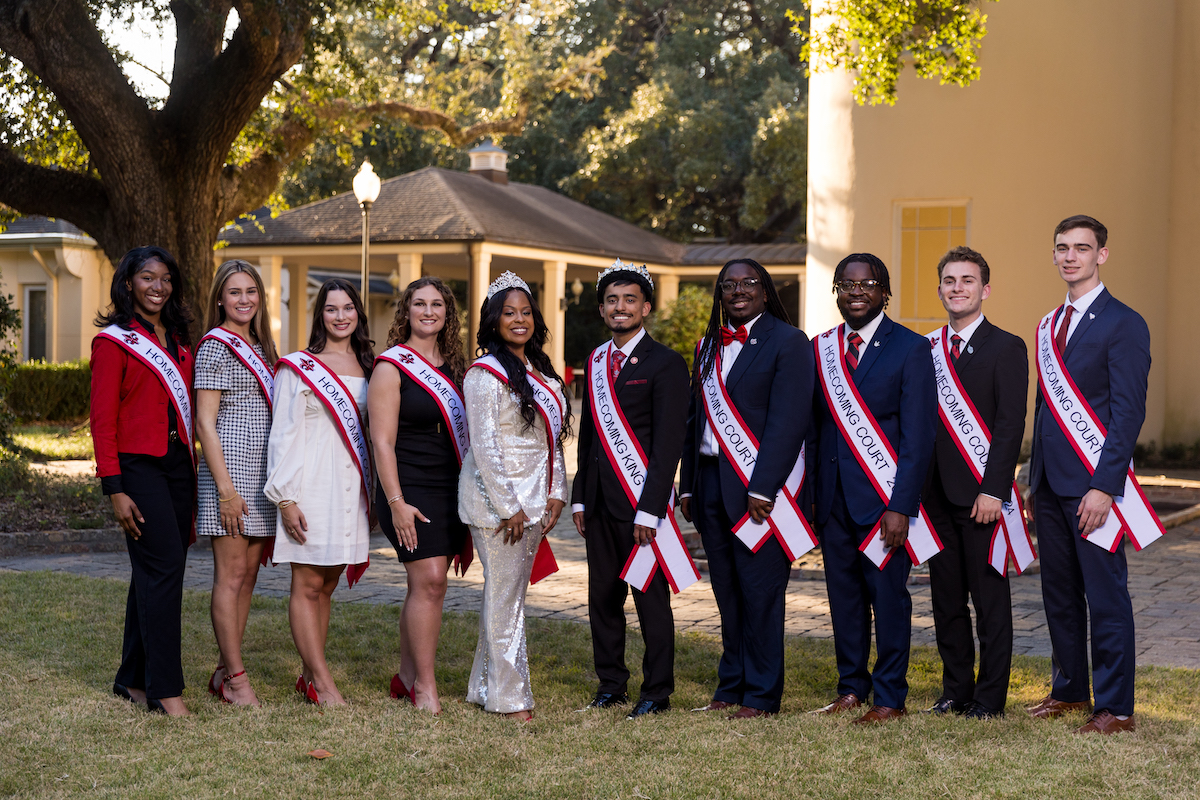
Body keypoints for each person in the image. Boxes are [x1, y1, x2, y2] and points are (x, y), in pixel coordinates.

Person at [1027, 215, 1161, 734]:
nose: (1070, 257)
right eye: (1062, 248)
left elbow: (1128, 413)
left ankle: (1116, 708)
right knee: (1058, 594)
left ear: (1101, 255)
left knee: (1105, 596)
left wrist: (1105, 486)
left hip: (1093, 489)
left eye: (1082, 248)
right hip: (1051, 484)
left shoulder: (1124, 322)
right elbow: (1044, 412)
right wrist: (1032, 480)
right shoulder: (1048, 324)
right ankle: (1069, 691)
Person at [678, 259, 814, 719]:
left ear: (765, 290)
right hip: (712, 482)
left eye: (748, 283)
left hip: (757, 488)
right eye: (728, 285)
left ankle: (761, 694)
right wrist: (689, 485)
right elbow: (695, 419)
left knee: (760, 592)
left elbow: (788, 422)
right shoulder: (708, 345)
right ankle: (730, 685)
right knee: (727, 591)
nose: (738, 291)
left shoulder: (789, 342)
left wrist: (764, 486)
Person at [810, 253, 938, 724]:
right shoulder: (820, 348)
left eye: (867, 285)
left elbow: (919, 437)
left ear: (885, 291)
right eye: (846, 284)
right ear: (837, 292)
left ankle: (889, 697)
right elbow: (814, 430)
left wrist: (901, 505)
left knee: (888, 600)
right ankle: (851, 687)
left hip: (884, 502)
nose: (856, 292)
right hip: (833, 500)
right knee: (843, 598)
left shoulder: (911, 348)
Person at [571, 260, 691, 719]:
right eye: (612, 300)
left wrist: (651, 509)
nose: (620, 308)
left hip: (641, 508)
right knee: (602, 598)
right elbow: (590, 438)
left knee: (649, 600)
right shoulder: (596, 360)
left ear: (645, 307)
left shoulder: (666, 363)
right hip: (599, 504)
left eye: (629, 299)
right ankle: (611, 684)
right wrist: (580, 494)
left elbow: (668, 446)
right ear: (602, 310)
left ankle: (656, 691)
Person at [458, 271, 571, 721]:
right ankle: (509, 700)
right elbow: (484, 448)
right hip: (497, 508)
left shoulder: (540, 371)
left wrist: (557, 490)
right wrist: (511, 509)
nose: (519, 320)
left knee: (505, 598)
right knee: (506, 602)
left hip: (534, 501)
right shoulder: (484, 375)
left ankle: (484, 686)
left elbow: (553, 438)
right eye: (509, 313)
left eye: (525, 312)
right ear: (493, 320)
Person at [922, 247, 1029, 720]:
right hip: (934, 499)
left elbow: (1010, 426)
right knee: (945, 602)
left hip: (982, 498)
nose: (957, 288)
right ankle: (955, 691)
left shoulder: (1007, 347)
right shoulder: (924, 349)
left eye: (967, 280)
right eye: (949, 280)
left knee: (989, 604)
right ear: (940, 288)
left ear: (985, 289)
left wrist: (994, 490)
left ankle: (989, 699)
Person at [90, 245, 196, 717]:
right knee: (166, 566)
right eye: (148, 278)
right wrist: (115, 488)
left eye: (166, 279)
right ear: (129, 282)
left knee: (153, 570)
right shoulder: (114, 341)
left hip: (178, 465)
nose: (158, 287)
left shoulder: (177, 339)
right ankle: (165, 691)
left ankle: (131, 680)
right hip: (137, 467)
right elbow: (102, 421)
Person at [265, 279, 374, 706]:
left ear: (358, 314)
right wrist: (286, 499)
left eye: (348, 308)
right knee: (307, 584)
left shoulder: (372, 366)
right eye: (332, 309)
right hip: (309, 487)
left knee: (326, 585)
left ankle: (310, 675)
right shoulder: (299, 366)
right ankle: (324, 685)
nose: (341, 316)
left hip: (350, 491)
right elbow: (284, 435)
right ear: (320, 316)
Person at [369, 277, 470, 715]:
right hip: (406, 487)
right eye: (419, 304)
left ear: (448, 312)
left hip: (451, 486)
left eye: (437, 304)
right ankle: (424, 688)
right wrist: (395, 503)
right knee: (429, 580)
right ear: (406, 311)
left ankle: (407, 676)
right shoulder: (390, 367)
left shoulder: (460, 367)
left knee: (429, 585)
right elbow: (381, 443)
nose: (428, 312)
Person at [194, 260, 279, 707]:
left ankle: (226, 672)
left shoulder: (261, 346)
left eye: (251, 292)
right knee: (230, 576)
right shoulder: (215, 347)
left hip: (259, 473)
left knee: (247, 577)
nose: (244, 299)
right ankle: (238, 681)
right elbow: (204, 425)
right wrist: (225, 491)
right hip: (228, 472)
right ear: (220, 299)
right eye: (234, 292)